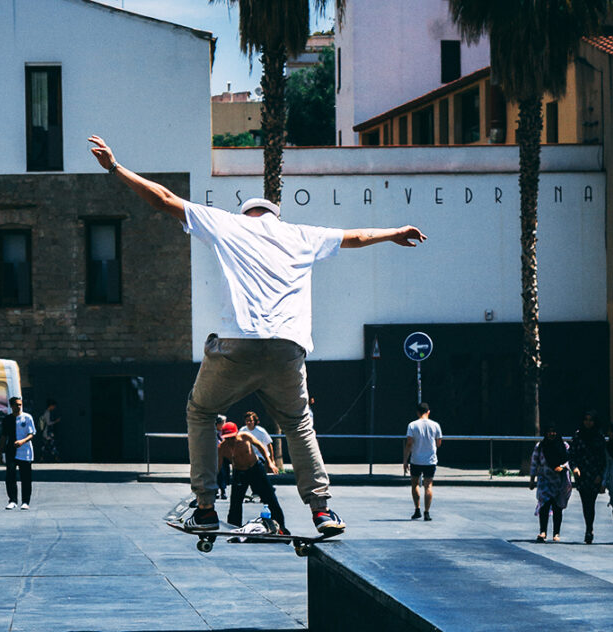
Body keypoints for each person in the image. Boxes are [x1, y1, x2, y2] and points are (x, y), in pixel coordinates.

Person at [88, 135, 426, 533]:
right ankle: (321, 510)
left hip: (238, 345)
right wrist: (394, 232)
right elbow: (356, 237)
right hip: (287, 349)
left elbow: (163, 199)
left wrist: (115, 168)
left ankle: (206, 508)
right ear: (274, 217)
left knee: (201, 412)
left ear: (246, 214)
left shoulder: (227, 224)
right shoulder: (300, 234)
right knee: (298, 423)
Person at [218, 421, 286, 532]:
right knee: (235, 502)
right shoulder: (222, 448)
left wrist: (269, 462)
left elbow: (260, 446)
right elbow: (218, 466)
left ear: (236, 434)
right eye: (227, 438)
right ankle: (234, 527)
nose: (231, 441)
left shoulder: (245, 437)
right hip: (239, 472)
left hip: (255, 468)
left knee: (269, 497)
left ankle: (280, 526)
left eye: (232, 438)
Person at [529, 426, 572, 542]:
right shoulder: (540, 446)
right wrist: (532, 479)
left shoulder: (564, 446)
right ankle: (543, 531)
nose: (551, 434)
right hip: (545, 479)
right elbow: (534, 462)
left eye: (554, 431)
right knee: (544, 504)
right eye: (549, 431)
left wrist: (562, 467)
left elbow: (570, 460)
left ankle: (556, 533)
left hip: (560, 480)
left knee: (557, 506)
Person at [569, 410, 606, 544]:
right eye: (586, 419)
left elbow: (603, 458)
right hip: (582, 474)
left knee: (591, 502)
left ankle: (590, 528)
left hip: (594, 474)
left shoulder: (599, 437)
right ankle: (588, 528)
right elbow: (571, 455)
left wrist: (600, 475)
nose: (588, 422)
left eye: (591, 420)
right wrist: (574, 468)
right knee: (585, 502)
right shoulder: (578, 436)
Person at [402, 402, 443, 520]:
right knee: (428, 485)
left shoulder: (412, 425)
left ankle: (417, 509)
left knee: (415, 484)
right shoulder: (435, 425)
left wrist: (405, 460)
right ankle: (427, 512)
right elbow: (439, 443)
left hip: (416, 460)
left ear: (417, 413)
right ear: (428, 412)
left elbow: (409, 443)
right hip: (430, 460)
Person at [0, 396, 35, 510]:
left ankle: (25, 501)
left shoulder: (27, 418)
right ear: (11, 406)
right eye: (16, 405)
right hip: (11, 451)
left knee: (26, 477)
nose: (18, 407)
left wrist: (22, 441)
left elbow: (31, 434)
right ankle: (12, 500)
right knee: (10, 476)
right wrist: (1, 452)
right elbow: (4, 436)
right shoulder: (7, 419)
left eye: (20, 404)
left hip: (25, 452)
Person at [215, 415, 231, 500]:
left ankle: (223, 490)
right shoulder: (212, 432)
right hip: (215, 455)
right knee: (217, 473)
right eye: (223, 423)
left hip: (224, 455)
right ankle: (218, 490)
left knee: (224, 473)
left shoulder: (226, 433)